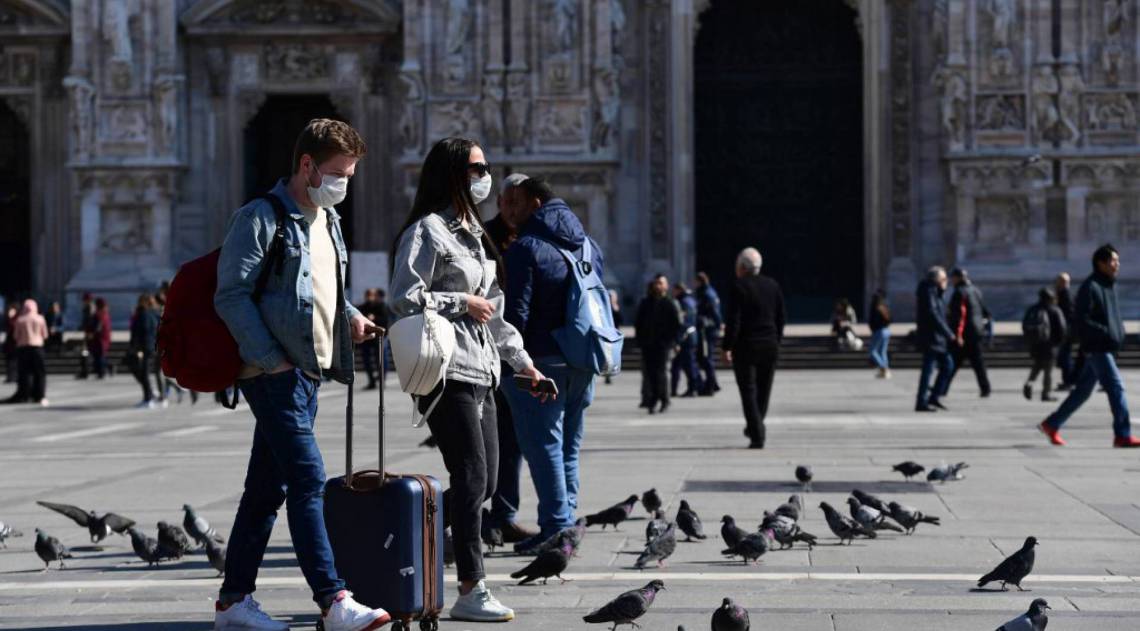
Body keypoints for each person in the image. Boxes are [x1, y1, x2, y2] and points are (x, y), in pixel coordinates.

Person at [213, 118, 388, 631]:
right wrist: (271, 359)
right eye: (337, 174)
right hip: (271, 373)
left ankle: (233, 603)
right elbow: (231, 294)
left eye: (351, 176)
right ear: (306, 165)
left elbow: (317, 287)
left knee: (265, 490)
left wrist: (350, 316)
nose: (344, 185)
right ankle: (333, 600)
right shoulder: (260, 217)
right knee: (309, 478)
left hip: (308, 372)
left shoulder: (326, 221)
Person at [390, 136, 546, 622]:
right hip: (444, 369)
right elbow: (403, 299)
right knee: (471, 473)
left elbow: (495, 312)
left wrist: (525, 364)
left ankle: (420, 538)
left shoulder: (473, 235)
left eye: (486, 167)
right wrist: (460, 302)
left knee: (487, 480)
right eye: (477, 167)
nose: (485, 176)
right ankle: (471, 587)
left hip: (484, 370)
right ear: (454, 173)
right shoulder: (426, 232)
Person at [500, 176, 606, 554]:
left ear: (537, 203)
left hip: (541, 364)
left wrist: (513, 363)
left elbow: (517, 314)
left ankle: (556, 527)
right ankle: (566, 523)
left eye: (517, 202)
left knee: (543, 446)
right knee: (568, 446)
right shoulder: (588, 246)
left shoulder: (526, 248)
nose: (510, 210)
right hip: (582, 359)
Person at [483, 171, 540, 546]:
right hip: (489, 351)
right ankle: (477, 517)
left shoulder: (533, 238)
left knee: (512, 440)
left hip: (517, 353)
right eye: (508, 202)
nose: (511, 209)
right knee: (485, 448)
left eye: (518, 203)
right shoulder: (485, 237)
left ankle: (503, 514)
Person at [1039, 244, 1140, 447]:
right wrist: (1106, 333)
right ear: (1101, 263)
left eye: (1117, 261)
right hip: (1097, 347)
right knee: (1116, 388)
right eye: (1113, 261)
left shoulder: (1108, 285)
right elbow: (1081, 319)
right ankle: (1122, 434)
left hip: (1105, 346)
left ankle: (1052, 423)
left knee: (1083, 391)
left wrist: (1116, 332)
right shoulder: (1090, 286)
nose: (1117, 265)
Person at [723, 248, 785, 448]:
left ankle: (757, 433)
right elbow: (781, 318)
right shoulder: (772, 285)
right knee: (763, 391)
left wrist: (727, 347)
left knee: (748, 391)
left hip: (746, 347)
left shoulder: (738, 287)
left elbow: (734, 321)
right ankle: (755, 426)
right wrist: (777, 339)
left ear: (741, 267)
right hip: (769, 345)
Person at [635, 274, 681, 415]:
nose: (658, 286)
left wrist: (674, 342)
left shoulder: (670, 303)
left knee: (661, 373)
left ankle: (663, 399)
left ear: (666, 286)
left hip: (663, 345)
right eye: (656, 283)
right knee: (650, 373)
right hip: (648, 344)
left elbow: (676, 324)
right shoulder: (646, 303)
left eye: (661, 283)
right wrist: (641, 340)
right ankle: (653, 399)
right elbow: (639, 323)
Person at [914, 266, 956, 412]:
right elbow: (933, 314)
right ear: (936, 279)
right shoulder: (928, 291)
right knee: (928, 370)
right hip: (931, 337)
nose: (946, 282)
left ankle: (934, 397)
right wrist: (948, 333)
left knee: (948, 365)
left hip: (937, 338)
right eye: (944, 279)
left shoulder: (935, 291)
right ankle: (922, 401)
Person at [945, 267, 992, 397]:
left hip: (965, 333)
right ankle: (986, 388)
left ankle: (942, 388)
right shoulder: (975, 290)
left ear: (958, 278)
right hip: (977, 332)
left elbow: (959, 316)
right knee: (978, 363)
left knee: (952, 363)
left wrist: (957, 334)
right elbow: (984, 311)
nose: (951, 280)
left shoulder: (959, 292)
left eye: (952, 277)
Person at [1023, 288, 1066, 402]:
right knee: (1048, 370)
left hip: (1036, 345)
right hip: (1051, 345)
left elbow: (1025, 326)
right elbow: (1062, 328)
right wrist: (1060, 342)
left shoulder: (1033, 309)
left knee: (1037, 366)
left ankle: (1029, 383)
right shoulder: (1055, 310)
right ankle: (1046, 393)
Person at [2, 299, 48, 405]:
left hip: (23, 349)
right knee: (40, 373)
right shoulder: (40, 319)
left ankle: (25, 394)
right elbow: (45, 335)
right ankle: (40, 395)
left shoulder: (20, 320)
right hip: (37, 348)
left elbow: (15, 336)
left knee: (24, 373)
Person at [128, 293, 164, 409]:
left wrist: (136, 347)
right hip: (151, 346)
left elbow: (141, 331)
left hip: (145, 347)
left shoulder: (144, 314)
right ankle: (149, 396)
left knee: (144, 372)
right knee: (145, 372)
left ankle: (149, 398)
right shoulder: (155, 313)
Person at [670, 283, 703, 397]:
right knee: (679, 365)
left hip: (685, 338)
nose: (673, 293)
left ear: (679, 290)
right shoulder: (690, 301)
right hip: (691, 335)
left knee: (688, 365)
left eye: (674, 290)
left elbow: (683, 323)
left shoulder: (682, 302)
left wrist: (678, 341)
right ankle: (675, 389)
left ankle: (693, 388)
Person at [694, 272, 722, 395]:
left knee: (706, 358)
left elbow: (714, 312)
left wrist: (718, 325)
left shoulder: (707, 294)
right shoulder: (703, 292)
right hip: (705, 330)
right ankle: (713, 383)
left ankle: (710, 386)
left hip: (707, 331)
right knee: (704, 358)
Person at [356, 288, 389, 391]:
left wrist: (375, 318)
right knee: (366, 360)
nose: (370, 297)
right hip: (367, 338)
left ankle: (382, 380)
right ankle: (371, 381)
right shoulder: (363, 307)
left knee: (380, 360)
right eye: (368, 295)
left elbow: (385, 321)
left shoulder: (381, 306)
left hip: (379, 338)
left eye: (372, 295)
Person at [1054, 272, 1076, 389]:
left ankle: (1068, 381)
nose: (1056, 283)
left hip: (1065, 332)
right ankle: (1067, 380)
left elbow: (1067, 314)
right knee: (1064, 357)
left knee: (1065, 357)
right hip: (1066, 331)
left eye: (1058, 281)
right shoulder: (1065, 294)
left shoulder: (1065, 295)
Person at [867, 290, 892, 378]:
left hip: (879, 331)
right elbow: (890, 319)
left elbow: (872, 321)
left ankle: (884, 368)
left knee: (872, 351)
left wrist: (873, 328)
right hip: (886, 331)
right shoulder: (884, 307)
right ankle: (884, 372)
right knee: (882, 351)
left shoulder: (875, 308)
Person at [89, 298, 112, 379]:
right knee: (100, 354)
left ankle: (101, 372)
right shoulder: (105, 313)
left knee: (100, 355)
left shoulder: (100, 313)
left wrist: (93, 333)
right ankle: (106, 369)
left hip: (100, 337)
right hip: (104, 336)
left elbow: (99, 326)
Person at [75, 293, 96, 379]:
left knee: (85, 352)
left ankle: (85, 371)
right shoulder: (90, 307)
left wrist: (85, 328)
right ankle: (84, 370)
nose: (83, 302)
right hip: (88, 332)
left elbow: (89, 321)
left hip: (89, 333)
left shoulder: (90, 308)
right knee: (85, 352)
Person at [3, 304, 16, 383]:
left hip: (14, 344)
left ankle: (13, 376)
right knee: (9, 361)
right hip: (9, 344)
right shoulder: (7, 319)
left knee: (13, 361)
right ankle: (10, 376)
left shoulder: (15, 320)